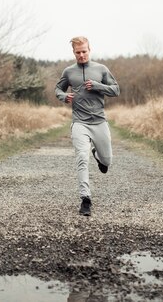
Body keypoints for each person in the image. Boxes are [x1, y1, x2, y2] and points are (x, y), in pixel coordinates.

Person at [55, 36, 120, 216]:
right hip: (79, 122)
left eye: (84, 51)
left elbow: (116, 89)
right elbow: (58, 89)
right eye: (78, 52)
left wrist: (98, 86)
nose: (82, 55)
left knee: (107, 161)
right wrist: (64, 97)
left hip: (99, 121)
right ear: (73, 53)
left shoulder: (101, 69)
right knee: (82, 158)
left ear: (89, 50)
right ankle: (85, 199)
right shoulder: (68, 72)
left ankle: (98, 155)